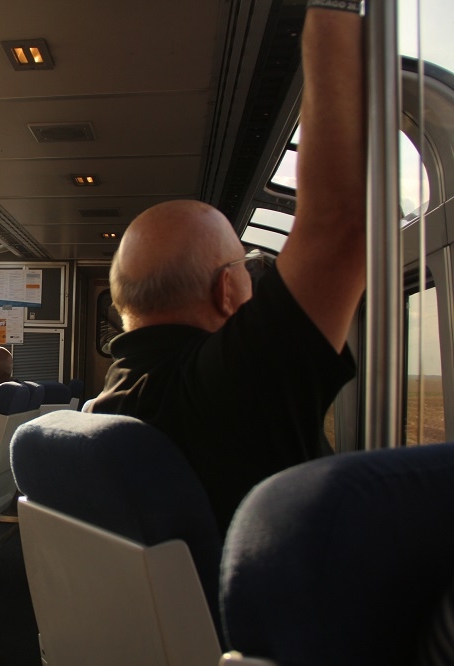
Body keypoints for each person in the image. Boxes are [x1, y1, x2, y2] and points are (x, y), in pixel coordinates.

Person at [85, 2, 366, 536]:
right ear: (228, 290)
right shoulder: (227, 388)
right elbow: (340, 226)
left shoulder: (115, 398)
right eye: (246, 263)